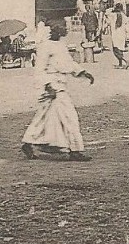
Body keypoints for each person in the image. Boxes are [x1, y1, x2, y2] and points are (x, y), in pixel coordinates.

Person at [21, 20, 95, 161]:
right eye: (62, 27)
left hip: (60, 85)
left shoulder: (61, 45)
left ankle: (29, 142)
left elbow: (68, 63)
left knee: (44, 119)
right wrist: (48, 85)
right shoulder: (45, 47)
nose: (64, 29)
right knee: (69, 117)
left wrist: (83, 72)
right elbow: (40, 69)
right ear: (54, 29)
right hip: (53, 87)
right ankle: (75, 150)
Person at [108, 3, 129, 69]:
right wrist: (128, 37)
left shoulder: (113, 15)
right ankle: (120, 64)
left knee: (115, 50)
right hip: (122, 35)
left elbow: (106, 12)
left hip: (115, 35)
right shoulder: (124, 16)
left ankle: (126, 61)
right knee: (120, 50)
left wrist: (112, 9)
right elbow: (127, 27)